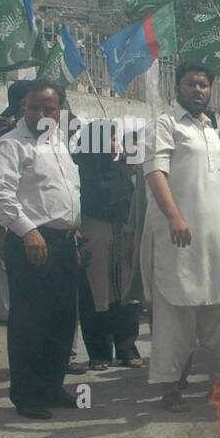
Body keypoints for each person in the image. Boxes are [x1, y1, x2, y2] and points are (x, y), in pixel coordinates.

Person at [140, 62, 220, 412]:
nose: (197, 90)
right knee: (175, 313)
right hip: (178, 234)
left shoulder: (212, 129)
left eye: (203, 84)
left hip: (213, 239)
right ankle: (169, 387)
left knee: (218, 309)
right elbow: (154, 172)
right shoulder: (164, 125)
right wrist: (174, 216)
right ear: (177, 88)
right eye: (190, 84)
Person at [0, 80, 82, 419]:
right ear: (23, 107)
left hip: (63, 241)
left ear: (60, 110)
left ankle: (51, 386)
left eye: (49, 108)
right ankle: (27, 395)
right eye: (34, 107)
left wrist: (73, 231)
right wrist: (28, 232)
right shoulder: (9, 145)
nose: (41, 114)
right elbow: (0, 195)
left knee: (61, 318)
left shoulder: (58, 142)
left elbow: (65, 191)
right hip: (32, 243)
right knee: (30, 321)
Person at [73, 119, 141, 371]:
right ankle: (99, 352)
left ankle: (127, 348)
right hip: (94, 234)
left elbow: (130, 202)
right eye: (111, 139)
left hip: (121, 236)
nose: (116, 145)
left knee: (126, 294)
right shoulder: (79, 168)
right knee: (95, 295)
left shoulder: (121, 170)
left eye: (117, 139)